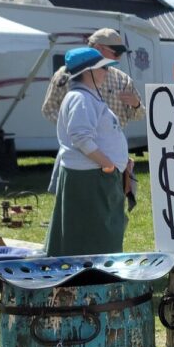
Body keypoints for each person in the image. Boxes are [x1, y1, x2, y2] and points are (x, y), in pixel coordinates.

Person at [46, 47, 130, 256]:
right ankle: (92, 274)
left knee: (101, 228)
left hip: (96, 174)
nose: (107, 72)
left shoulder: (88, 97)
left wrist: (121, 159)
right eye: (102, 68)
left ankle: (98, 272)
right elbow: (81, 138)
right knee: (94, 231)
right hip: (90, 176)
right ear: (88, 71)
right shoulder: (80, 98)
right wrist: (108, 164)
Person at [41, 27, 145, 124]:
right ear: (98, 48)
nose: (118, 58)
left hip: (112, 141)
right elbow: (49, 109)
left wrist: (136, 104)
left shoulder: (122, 79)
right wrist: (76, 127)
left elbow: (140, 115)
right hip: (76, 142)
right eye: (117, 53)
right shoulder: (65, 74)